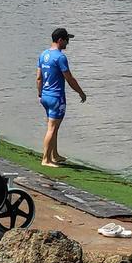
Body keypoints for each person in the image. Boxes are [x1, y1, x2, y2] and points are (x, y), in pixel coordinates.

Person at [36, 27, 86, 166]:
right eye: (66, 40)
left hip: (45, 96)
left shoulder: (43, 54)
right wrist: (81, 92)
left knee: (54, 126)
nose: (68, 43)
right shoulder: (60, 57)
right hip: (56, 97)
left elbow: (39, 77)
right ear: (60, 40)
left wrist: (40, 94)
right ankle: (46, 159)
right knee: (52, 128)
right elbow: (69, 78)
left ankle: (55, 154)